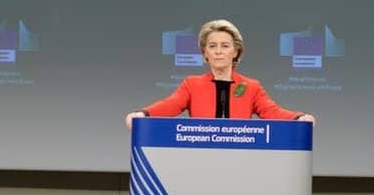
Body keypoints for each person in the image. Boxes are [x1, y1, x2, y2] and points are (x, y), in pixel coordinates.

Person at [125, 19, 316, 128]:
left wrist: (298, 117)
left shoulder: (251, 87)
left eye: (225, 46)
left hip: (240, 159)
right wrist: (143, 113)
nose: (218, 51)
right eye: (212, 46)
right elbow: (170, 105)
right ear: (205, 53)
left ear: (236, 51)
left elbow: (272, 112)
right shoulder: (192, 84)